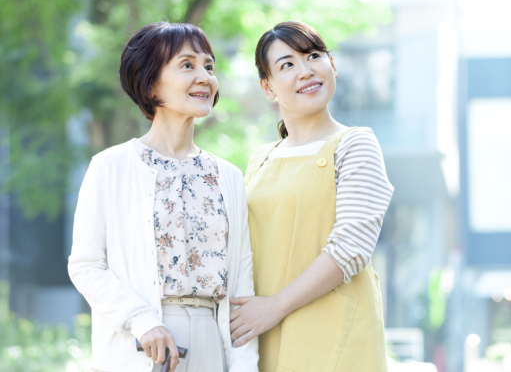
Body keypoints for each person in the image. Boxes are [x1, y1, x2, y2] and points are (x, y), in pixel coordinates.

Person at [68, 22, 258, 372]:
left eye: (209, 66)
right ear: (151, 80)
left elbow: (242, 287)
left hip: (213, 342)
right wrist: (142, 321)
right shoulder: (111, 167)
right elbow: (86, 265)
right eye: (187, 65)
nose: (204, 76)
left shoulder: (229, 176)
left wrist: (245, 366)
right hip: (140, 343)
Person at [229, 21, 394, 371]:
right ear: (267, 87)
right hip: (265, 337)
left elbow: (351, 247)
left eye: (314, 56)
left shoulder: (355, 144)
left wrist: (274, 306)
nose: (305, 71)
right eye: (287, 64)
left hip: (333, 337)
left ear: (332, 65)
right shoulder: (260, 158)